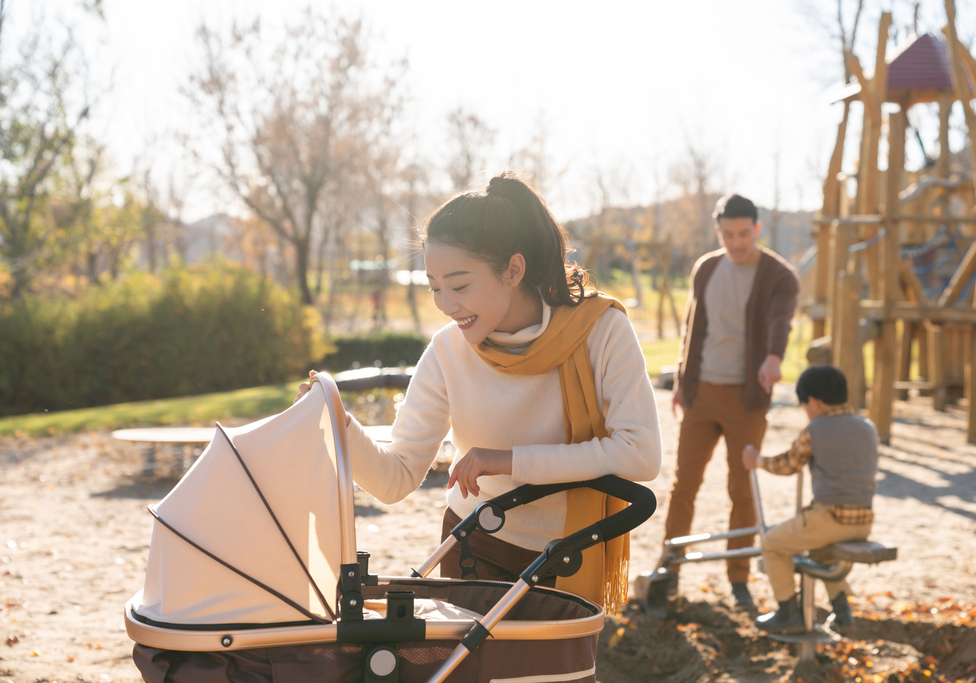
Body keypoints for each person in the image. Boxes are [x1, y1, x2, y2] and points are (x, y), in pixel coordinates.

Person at [295, 172, 661, 611]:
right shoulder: (448, 351)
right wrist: (338, 421)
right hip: (474, 546)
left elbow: (640, 454)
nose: (446, 305)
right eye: (434, 287)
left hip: (569, 553)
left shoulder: (600, 329)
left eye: (460, 285)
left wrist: (510, 462)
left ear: (513, 270)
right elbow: (395, 480)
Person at [663, 193, 799, 607]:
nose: (736, 243)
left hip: (746, 399)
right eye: (727, 234)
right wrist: (682, 382)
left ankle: (739, 578)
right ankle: (669, 568)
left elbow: (781, 322)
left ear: (756, 229)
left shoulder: (780, 276)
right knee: (683, 484)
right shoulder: (706, 268)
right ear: (718, 231)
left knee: (742, 489)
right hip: (701, 394)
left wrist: (773, 358)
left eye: (743, 234)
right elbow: (693, 325)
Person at [742, 365, 878, 633]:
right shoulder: (867, 427)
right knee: (822, 552)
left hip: (830, 517)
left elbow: (789, 464)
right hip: (864, 520)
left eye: (804, 405)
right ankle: (842, 612)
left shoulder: (816, 428)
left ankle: (787, 612)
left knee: (772, 543)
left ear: (814, 402)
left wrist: (756, 461)